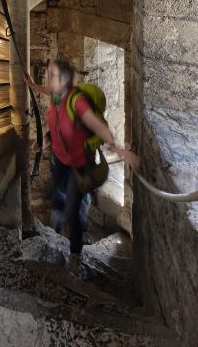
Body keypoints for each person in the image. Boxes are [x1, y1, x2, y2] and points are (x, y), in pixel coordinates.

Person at [25, 59, 139, 274]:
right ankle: (71, 209)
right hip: (59, 161)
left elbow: (99, 127)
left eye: (52, 75)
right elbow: (56, 120)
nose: (48, 79)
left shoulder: (77, 102)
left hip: (77, 168)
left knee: (71, 211)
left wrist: (119, 150)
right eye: (48, 74)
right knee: (57, 194)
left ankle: (75, 253)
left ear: (65, 80)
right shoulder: (57, 95)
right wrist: (45, 140)